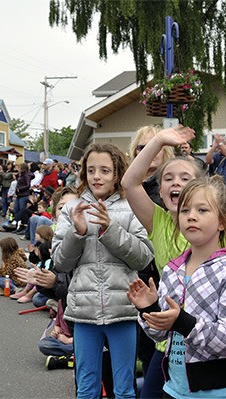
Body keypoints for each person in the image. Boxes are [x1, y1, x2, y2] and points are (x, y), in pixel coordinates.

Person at [121, 125, 226, 399]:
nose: (176, 183)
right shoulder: (161, 229)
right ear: (160, 190)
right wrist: (160, 140)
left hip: (213, 373)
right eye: (168, 178)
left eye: (185, 178)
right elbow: (130, 183)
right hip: (173, 363)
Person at [52, 143, 154, 399]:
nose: (97, 176)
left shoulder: (131, 207)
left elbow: (143, 258)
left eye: (105, 170)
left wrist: (111, 230)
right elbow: (60, 263)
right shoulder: (71, 208)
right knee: (86, 388)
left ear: (118, 173)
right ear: (83, 173)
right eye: (91, 170)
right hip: (84, 312)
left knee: (125, 389)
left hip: (123, 309)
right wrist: (77, 232)